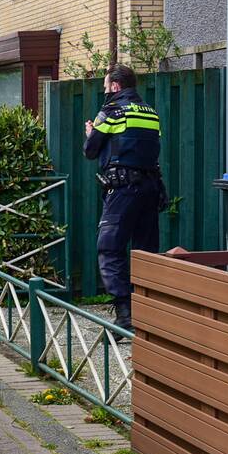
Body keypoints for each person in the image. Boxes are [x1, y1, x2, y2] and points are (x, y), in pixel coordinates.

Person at [83, 64, 163, 331]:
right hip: (150, 189)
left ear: (115, 87)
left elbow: (91, 150)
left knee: (109, 247)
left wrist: (90, 133)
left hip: (122, 190)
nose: (105, 91)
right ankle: (148, 312)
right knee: (145, 252)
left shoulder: (112, 111)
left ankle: (124, 314)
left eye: (106, 87)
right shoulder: (151, 113)